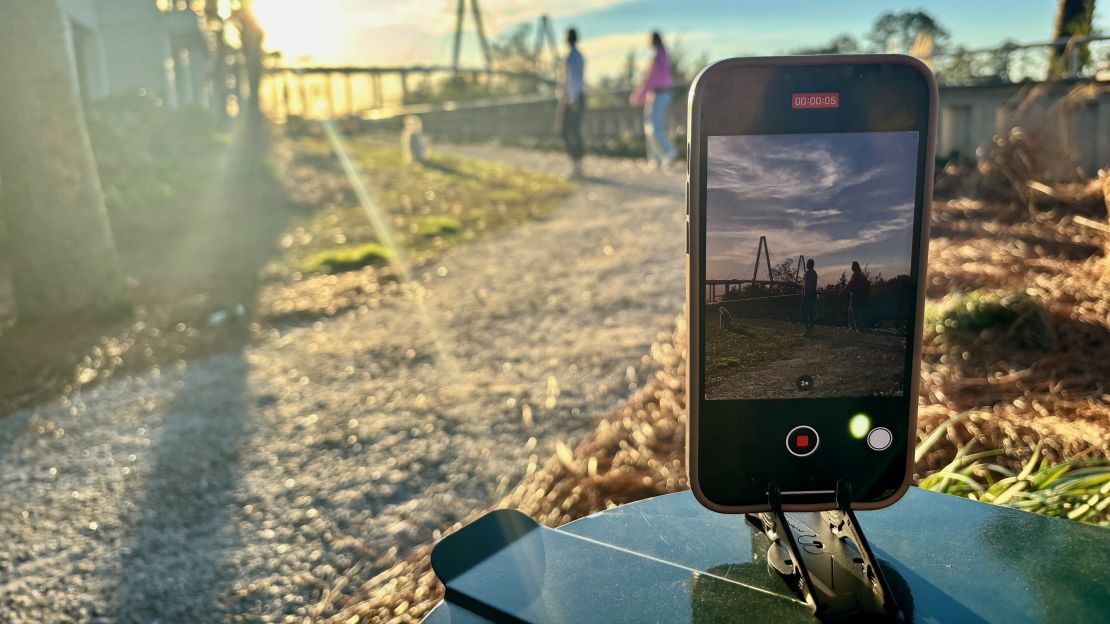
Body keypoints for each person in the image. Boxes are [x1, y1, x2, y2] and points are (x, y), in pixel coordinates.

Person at [630, 31, 677, 169]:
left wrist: (638, 96)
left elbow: (649, 79)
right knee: (655, 126)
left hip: (658, 95)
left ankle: (668, 152)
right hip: (663, 94)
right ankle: (656, 159)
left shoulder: (658, 58)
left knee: (653, 127)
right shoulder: (664, 56)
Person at [559, 28, 586, 179]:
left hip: (573, 98)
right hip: (576, 96)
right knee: (574, 131)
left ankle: (576, 165)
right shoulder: (579, 55)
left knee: (566, 131)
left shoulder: (572, 56)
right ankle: (577, 165)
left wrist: (572, 99)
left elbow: (573, 80)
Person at [846, 261, 869, 331]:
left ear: (854, 267)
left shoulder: (855, 275)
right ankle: (853, 326)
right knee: (852, 311)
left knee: (854, 311)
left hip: (855, 295)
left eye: (852, 266)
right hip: (860, 295)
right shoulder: (861, 275)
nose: (851, 267)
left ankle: (857, 326)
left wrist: (844, 290)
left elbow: (850, 284)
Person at [801, 258, 818, 336]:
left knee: (804, 312)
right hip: (813, 294)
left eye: (807, 263)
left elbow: (806, 286)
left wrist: (804, 295)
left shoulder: (807, 273)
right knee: (811, 313)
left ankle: (807, 330)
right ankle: (811, 328)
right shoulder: (815, 273)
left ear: (808, 265)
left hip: (807, 295)